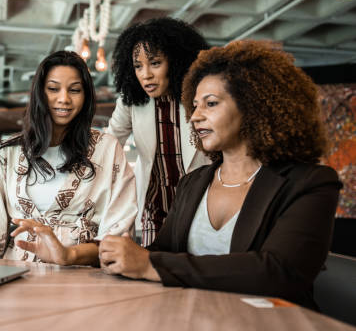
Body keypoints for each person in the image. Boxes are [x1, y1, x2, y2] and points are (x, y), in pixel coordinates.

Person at [99, 40, 342, 309]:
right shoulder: (194, 182)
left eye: (211, 104)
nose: (194, 117)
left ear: (254, 106)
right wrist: (99, 252)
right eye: (194, 105)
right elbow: (159, 254)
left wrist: (149, 264)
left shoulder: (309, 183)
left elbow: (279, 273)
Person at [0, 51, 137, 265]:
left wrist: (69, 255)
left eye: (75, 90)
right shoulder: (11, 153)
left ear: (86, 95)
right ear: (39, 93)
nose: (64, 99)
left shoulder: (107, 149)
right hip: (18, 274)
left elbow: (118, 229)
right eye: (53, 89)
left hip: (82, 277)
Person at [108, 17, 210, 246]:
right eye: (138, 66)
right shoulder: (130, 102)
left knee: (192, 271)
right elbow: (108, 144)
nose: (146, 74)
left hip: (200, 203)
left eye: (155, 63)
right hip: (155, 208)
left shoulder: (200, 97)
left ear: (175, 61)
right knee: (150, 272)